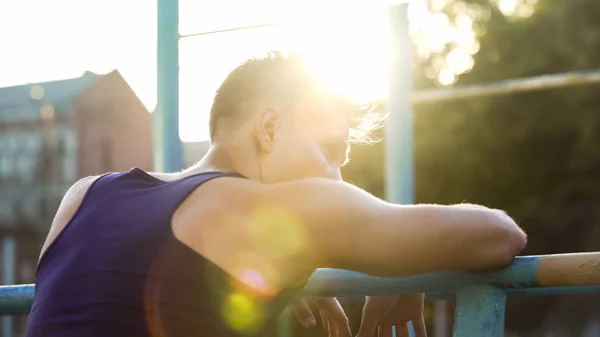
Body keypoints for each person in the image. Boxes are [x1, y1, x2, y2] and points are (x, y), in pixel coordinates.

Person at [25, 51, 527, 337]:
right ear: (268, 129)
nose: (334, 177)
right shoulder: (288, 208)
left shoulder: (85, 194)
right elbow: (499, 235)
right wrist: (406, 260)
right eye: (330, 150)